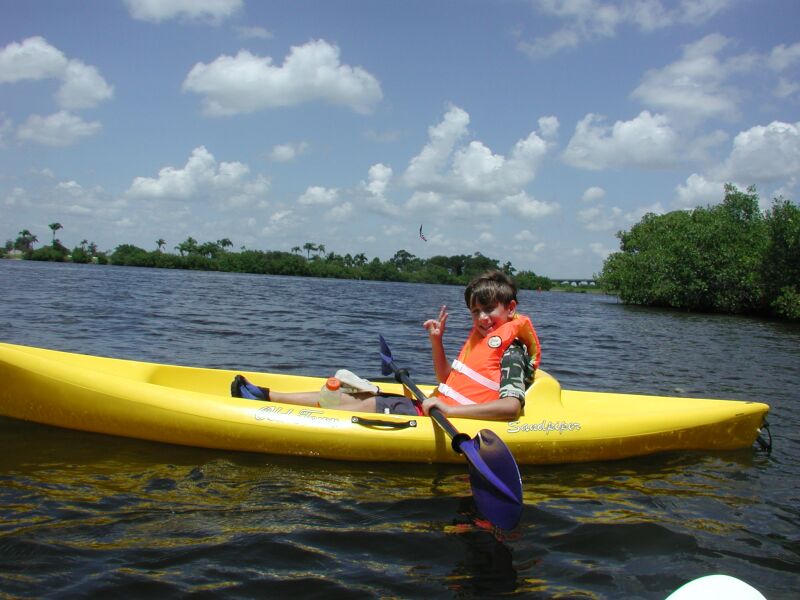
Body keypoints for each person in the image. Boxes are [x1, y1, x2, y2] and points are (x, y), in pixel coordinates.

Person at [231, 270, 541, 420]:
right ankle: (266, 394)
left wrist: (447, 410)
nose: (483, 318)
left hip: (442, 417)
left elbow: (511, 408)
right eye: (476, 311)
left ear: (510, 309)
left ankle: (266, 406)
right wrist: (437, 342)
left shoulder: (512, 351)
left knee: (362, 404)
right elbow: (447, 380)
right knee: (351, 393)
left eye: (490, 310)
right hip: (433, 408)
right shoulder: (481, 340)